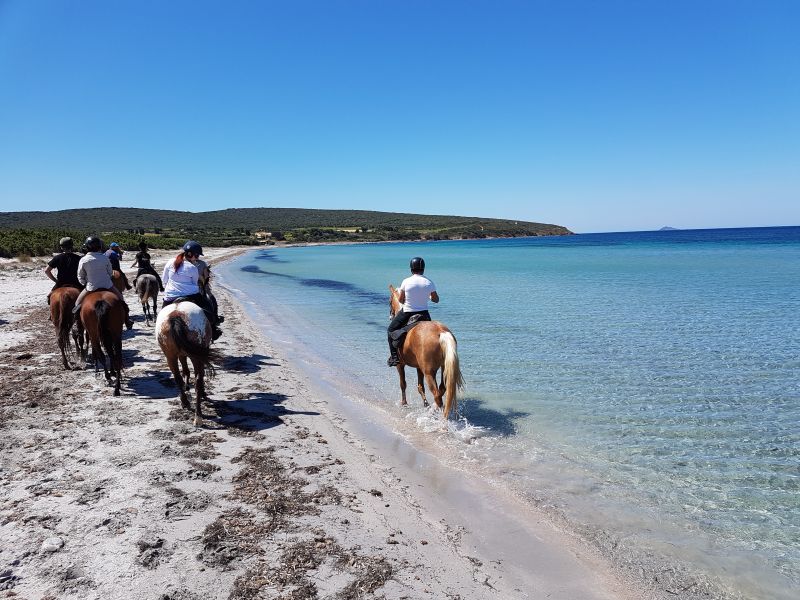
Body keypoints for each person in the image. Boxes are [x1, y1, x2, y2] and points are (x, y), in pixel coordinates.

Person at [162, 240, 222, 340]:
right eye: (197, 256)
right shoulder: (192, 268)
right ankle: (213, 330)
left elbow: (164, 280)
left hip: (170, 296)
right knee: (209, 309)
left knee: (162, 315)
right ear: (191, 255)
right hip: (191, 296)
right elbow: (194, 284)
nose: (197, 259)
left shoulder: (170, 262)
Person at [387, 256, 439, 366]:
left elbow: (401, 300)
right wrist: (428, 296)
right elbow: (436, 300)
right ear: (423, 269)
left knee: (390, 330)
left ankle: (394, 357)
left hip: (407, 312)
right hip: (424, 314)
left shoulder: (406, 281)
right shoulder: (429, 282)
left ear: (411, 269)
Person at [73, 236, 134, 329]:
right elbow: (110, 273)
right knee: (121, 300)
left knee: (77, 303)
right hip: (107, 285)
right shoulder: (104, 258)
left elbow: (80, 276)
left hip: (91, 287)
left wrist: (85, 283)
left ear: (87, 247)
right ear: (99, 246)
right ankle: (127, 320)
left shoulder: (83, 259)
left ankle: (77, 325)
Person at [44, 237, 83, 305]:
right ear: (72, 246)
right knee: (85, 298)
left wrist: (55, 281)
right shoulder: (79, 258)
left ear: (61, 247)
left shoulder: (57, 258)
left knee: (49, 297)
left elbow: (47, 271)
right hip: (76, 283)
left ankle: (51, 315)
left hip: (61, 283)